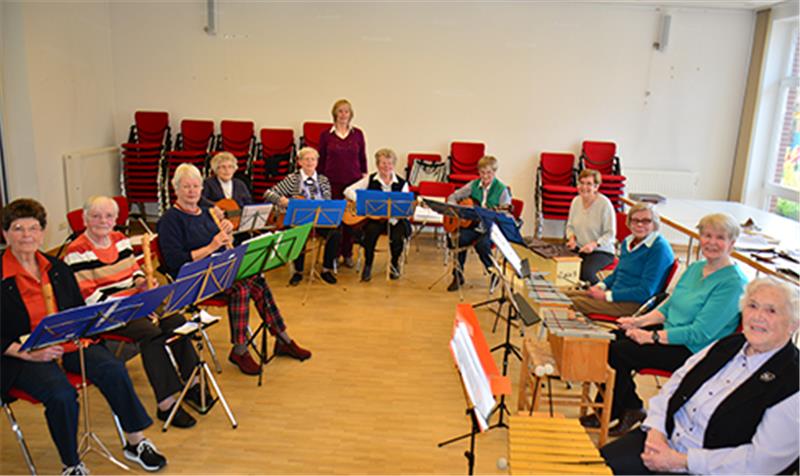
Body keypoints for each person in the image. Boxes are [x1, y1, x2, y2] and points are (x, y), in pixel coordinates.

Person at [1, 199, 167, 475]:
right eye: (18, 229)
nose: (27, 235)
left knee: (113, 369)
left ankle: (135, 442)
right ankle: (71, 464)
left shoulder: (56, 268)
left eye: (33, 228)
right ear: (6, 234)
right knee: (62, 394)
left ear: (42, 233)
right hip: (21, 354)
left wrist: (81, 334)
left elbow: (77, 308)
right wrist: (28, 352)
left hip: (67, 342)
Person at [601, 277, 799, 475]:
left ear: (794, 324)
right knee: (591, 467)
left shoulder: (792, 382)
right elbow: (675, 384)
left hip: (706, 469)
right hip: (663, 441)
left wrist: (681, 461)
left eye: (771, 310)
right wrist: (656, 430)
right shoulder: (729, 344)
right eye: (752, 306)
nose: (757, 317)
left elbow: (760, 463)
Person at [581, 213, 748, 437]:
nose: (711, 242)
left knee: (619, 352)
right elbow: (668, 307)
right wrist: (637, 321)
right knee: (611, 339)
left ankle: (630, 407)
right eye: (707, 235)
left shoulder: (733, 283)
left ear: (732, 243)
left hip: (697, 351)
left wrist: (652, 337)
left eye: (720, 237)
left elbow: (700, 333)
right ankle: (612, 409)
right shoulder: (696, 268)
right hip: (672, 334)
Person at [64, 195, 205, 429]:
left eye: (109, 216)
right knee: (151, 332)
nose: (103, 221)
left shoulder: (120, 239)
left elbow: (134, 271)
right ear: (84, 218)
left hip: (134, 303)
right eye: (96, 216)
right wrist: (136, 304)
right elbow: (90, 298)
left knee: (177, 320)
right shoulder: (76, 251)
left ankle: (192, 383)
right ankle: (166, 403)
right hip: (105, 313)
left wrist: (142, 284)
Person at [157, 164, 311, 376]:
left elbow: (222, 244)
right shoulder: (169, 220)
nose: (192, 191)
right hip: (193, 278)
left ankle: (281, 337)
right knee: (241, 287)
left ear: (202, 189)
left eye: (196, 186)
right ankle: (242, 349)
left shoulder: (206, 213)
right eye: (186, 187)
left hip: (218, 269)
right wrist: (212, 246)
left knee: (257, 279)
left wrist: (228, 235)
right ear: (176, 189)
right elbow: (175, 262)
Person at [566, 202, 674, 317]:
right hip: (616, 294)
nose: (640, 224)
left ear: (655, 224)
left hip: (634, 304)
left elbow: (645, 292)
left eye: (646, 221)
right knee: (562, 295)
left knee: (571, 303)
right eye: (635, 220)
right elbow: (617, 273)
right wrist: (599, 286)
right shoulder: (628, 241)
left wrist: (606, 296)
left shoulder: (659, 248)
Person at [263, 146, 341, 285]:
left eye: (313, 159)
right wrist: (282, 201)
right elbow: (268, 193)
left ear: (317, 162)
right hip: (299, 219)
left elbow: (327, 201)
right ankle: (298, 271)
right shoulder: (293, 178)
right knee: (298, 234)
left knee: (335, 234)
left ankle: (326, 269)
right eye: (306, 159)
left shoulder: (323, 180)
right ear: (300, 162)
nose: (310, 162)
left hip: (320, 219)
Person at [344, 147, 411, 282]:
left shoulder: (402, 183)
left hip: (394, 219)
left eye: (389, 163)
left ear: (394, 164)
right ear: (377, 164)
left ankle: (394, 263)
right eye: (383, 163)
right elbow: (348, 191)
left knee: (398, 237)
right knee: (370, 233)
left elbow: (405, 206)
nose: (386, 166)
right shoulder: (370, 179)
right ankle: (368, 265)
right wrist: (362, 200)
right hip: (374, 219)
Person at [445, 155, 512, 292]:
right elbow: (453, 196)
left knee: (482, 244)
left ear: (494, 172)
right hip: (472, 225)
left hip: (491, 228)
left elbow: (505, 215)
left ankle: (493, 273)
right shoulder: (473, 185)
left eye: (489, 173)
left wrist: (492, 214)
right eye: (482, 172)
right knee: (458, 237)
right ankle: (458, 275)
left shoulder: (502, 190)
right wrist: (455, 209)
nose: (485, 176)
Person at [318, 98, 367, 269]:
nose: (343, 114)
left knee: (351, 221)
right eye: (340, 111)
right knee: (335, 220)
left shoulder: (358, 134)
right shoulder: (326, 135)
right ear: (335, 114)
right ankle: (332, 256)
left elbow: (362, 158)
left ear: (351, 114)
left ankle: (347, 254)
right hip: (332, 183)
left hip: (353, 183)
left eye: (346, 111)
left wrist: (363, 179)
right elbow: (321, 159)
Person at [565, 169, 616, 284]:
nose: (584, 187)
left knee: (585, 272)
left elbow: (610, 234)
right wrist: (572, 238)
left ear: (596, 187)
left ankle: (602, 293)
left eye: (589, 184)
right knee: (564, 266)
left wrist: (594, 244)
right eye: (581, 183)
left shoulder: (605, 204)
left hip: (601, 251)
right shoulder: (576, 201)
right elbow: (570, 226)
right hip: (581, 247)